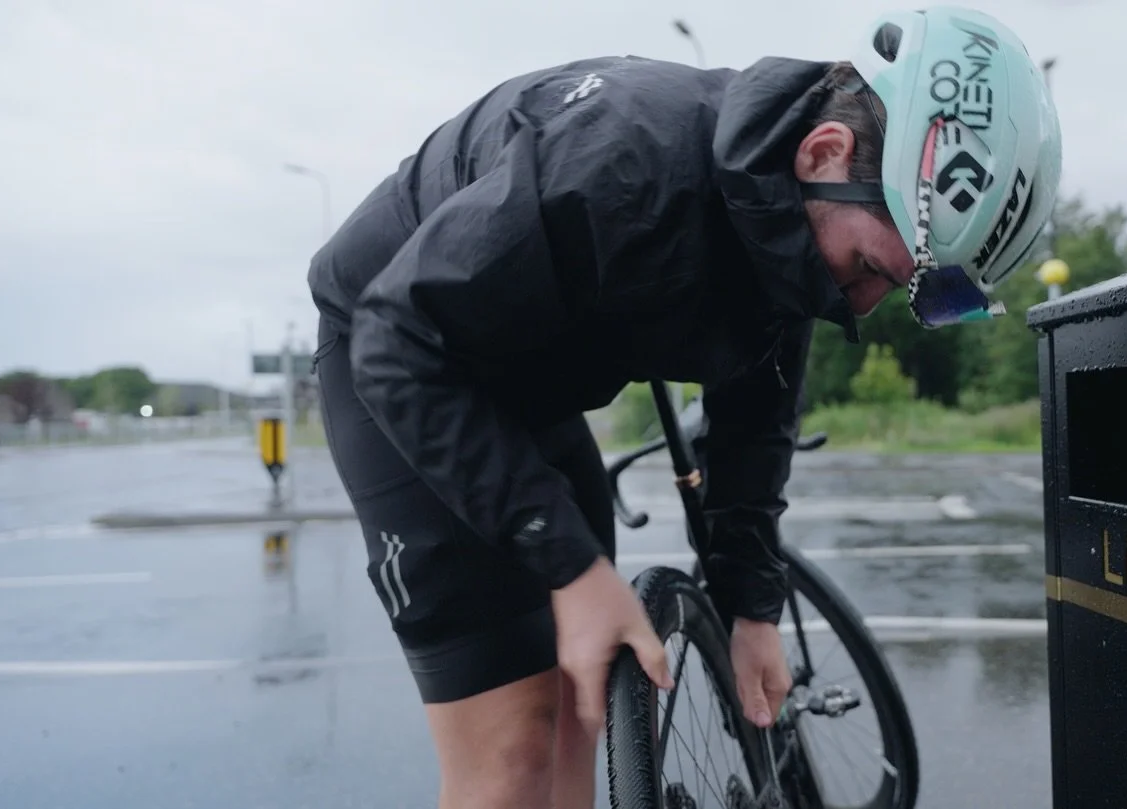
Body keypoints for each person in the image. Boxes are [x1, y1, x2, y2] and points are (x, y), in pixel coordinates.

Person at [306, 5, 1060, 807]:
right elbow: (396, 341)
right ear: (825, 151)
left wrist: (752, 607)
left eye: (924, 296)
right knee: (511, 748)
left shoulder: (801, 222)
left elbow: (755, 422)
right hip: (398, 354)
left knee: (579, 699)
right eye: (880, 267)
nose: (870, 304)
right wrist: (568, 565)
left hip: (526, 376)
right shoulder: (619, 165)